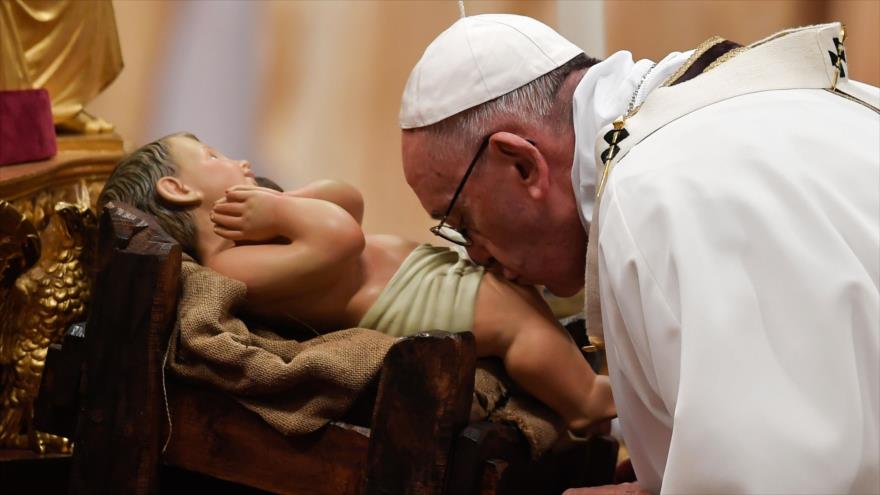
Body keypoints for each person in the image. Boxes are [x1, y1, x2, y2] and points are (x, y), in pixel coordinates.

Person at [399, 13, 879, 495]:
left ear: (523, 163)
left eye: (461, 221)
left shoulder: (652, 192)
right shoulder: (809, 110)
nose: (475, 256)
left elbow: (781, 479)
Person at [96, 132, 616, 436]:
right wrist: (281, 208)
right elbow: (340, 238)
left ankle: (585, 379)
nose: (240, 162)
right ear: (178, 189)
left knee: (522, 301)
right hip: (410, 303)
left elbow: (348, 202)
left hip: (420, 277)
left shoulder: (263, 231)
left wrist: (284, 202)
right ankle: (585, 401)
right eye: (213, 158)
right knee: (518, 325)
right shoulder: (232, 267)